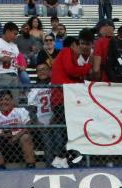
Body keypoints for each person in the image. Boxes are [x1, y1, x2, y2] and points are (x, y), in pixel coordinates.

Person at [49, 35, 90, 168]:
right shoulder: (66, 51)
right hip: (63, 99)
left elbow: (72, 75)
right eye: (78, 46)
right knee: (69, 132)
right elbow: (71, 71)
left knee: (68, 132)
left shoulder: (66, 56)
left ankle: (61, 158)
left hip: (64, 98)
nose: (80, 49)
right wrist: (88, 67)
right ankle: (60, 157)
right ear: (73, 45)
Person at [0, 89, 35, 168]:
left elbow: (28, 126)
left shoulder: (21, 111)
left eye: (7, 99)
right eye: (1, 100)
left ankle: (30, 166)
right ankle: (0, 167)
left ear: (12, 101)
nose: (3, 102)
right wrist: (2, 135)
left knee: (26, 137)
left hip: (19, 139)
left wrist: (16, 136)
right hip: (2, 140)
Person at [27, 60, 56, 163]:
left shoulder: (55, 84)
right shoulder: (34, 89)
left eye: (44, 69)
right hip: (42, 123)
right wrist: (37, 123)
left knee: (59, 143)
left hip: (56, 120)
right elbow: (31, 110)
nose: (41, 72)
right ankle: (50, 168)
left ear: (49, 71)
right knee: (48, 146)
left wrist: (55, 119)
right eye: (38, 70)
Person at [0, 22, 22, 90]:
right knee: (3, 96)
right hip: (2, 73)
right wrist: (1, 59)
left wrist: (19, 66)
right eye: (14, 34)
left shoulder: (15, 46)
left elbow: (15, 63)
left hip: (14, 75)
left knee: (15, 99)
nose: (15, 37)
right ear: (8, 31)